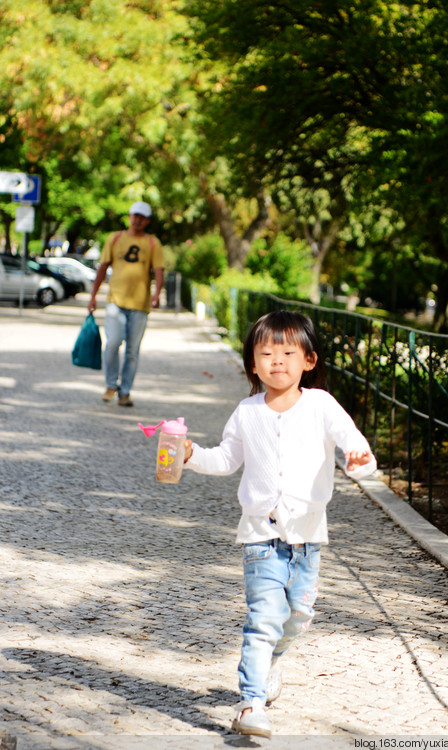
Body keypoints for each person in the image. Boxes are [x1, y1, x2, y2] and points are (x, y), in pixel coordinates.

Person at [182, 310, 376, 739]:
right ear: (252, 363)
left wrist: (360, 458)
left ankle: (270, 661)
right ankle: (250, 702)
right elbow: (225, 460)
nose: (277, 361)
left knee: (299, 616)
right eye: (266, 353)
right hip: (261, 538)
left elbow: (351, 440)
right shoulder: (247, 411)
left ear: (308, 360)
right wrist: (191, 454)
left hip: (308, 538)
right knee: (264, 617)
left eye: (288, 352)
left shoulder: (321, 404)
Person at [88, 201, 165, 407]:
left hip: (140, 304)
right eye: (134, 215)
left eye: (142, 217)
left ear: (147, 221)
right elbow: (103, 267)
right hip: (115, 301)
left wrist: (157, 293)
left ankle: (125, 392)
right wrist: (93, 295)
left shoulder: (152, 243)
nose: (137, 219)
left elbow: (158, 269)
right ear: (129, 216)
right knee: (112, 343)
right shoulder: (115, 238)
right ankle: (111, 384)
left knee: (132, 351)